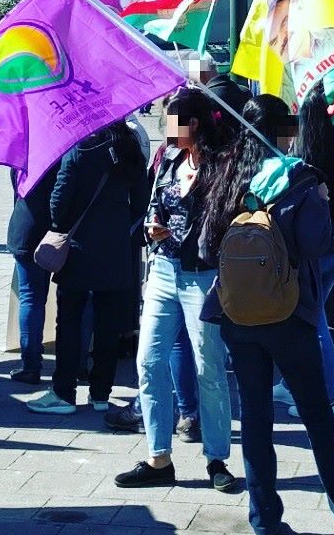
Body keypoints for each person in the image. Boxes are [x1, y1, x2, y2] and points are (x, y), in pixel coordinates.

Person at [200, 94, 334, 535]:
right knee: (317, 414)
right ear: (283, 131)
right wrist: (323, 201)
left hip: (237, 314)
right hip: (290, 313)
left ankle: (264, 519)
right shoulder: (299, 178)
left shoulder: (227, 175)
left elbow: (205, 247)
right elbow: (317, 244)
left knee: (255, 418)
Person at [114, 89, 237, 492]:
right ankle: (158, 457)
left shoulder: (221, 165)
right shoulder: (168, 158)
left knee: (209, 369)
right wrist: (152, 226)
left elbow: (226, 218)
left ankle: (216, 458)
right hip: (164, 271)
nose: (166, 129)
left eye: (173, 121)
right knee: (149, 361)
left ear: (194, 124)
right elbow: (154, 204)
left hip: (203, 276)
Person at [28, 120, 148, 414]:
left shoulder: (79, 148)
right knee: (108, 325)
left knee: (69, 321)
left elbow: (59, 202)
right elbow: (141, 202)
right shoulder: (130, 147)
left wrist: (61, 227)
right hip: (116, 250)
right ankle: (101, 393)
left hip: (79, 249)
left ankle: (64, 392)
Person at [275, 82, 334, 417]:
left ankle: (327, 398)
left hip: (309, 249)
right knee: (312, 318)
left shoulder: (297, 160)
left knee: (314, 322)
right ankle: (292, 386)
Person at [6, 162, 59, 386]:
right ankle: (77, 365)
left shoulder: (24, 153)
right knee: (74, 298)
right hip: (59, 232)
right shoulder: (67, 151)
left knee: (31, 298)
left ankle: (31, 365)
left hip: (26, 228)